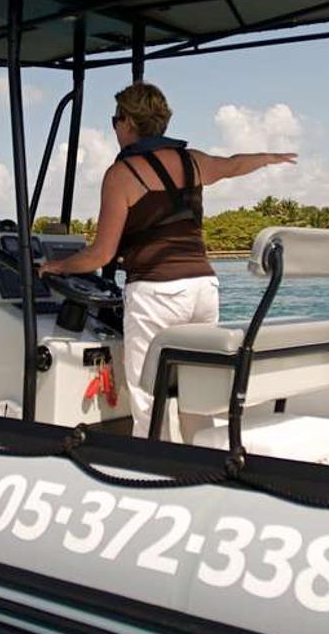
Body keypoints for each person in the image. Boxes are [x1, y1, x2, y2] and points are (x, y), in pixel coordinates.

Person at [38, 82, 295, 439]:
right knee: (199, 392)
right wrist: (267, 158)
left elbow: (102, 254)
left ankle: (152, 470)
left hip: (157, 293)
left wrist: (57, 267)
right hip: (203, 288)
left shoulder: (121, 175)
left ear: (128, 122)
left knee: (148, 398)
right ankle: (202, 459)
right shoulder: (193, 161)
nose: (115, 128)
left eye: (115, 120)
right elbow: (233, 165)